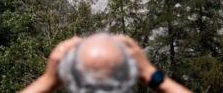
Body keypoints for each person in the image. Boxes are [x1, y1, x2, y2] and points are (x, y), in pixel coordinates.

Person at [20, 33, 192, 93]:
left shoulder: (53, 81)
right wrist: (149, 73)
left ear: (70, 77)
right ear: (131, 75)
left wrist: (47, 81)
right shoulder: (146, 74)